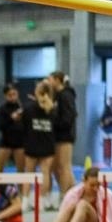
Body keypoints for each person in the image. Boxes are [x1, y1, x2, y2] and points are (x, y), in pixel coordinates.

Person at [21, 80, 59, 208]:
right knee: (45, 173)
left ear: (37, 93)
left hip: (32, 143)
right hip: (47, 143)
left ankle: (25, 201)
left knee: (29, 173)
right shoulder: (53, 109)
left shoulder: (29, 108)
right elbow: (57, 126)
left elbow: (24, 125)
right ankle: (41, 201)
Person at [46, 71, 77, 203]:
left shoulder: (66, 95)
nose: (49, 82)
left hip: (65, 136)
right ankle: (73, 192)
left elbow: (69, 116)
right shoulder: (57, 96)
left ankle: (65, 196)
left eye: (50, 80)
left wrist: (56, 121)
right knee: (55, 168)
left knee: (65, 167)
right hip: (57, 135)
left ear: (57, 80)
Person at [0, 82, 26, 172]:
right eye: (10, 95)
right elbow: (1, 126)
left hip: (20, 142)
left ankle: (20, 184)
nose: (12, 97)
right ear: (5, 96)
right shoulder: (2, 108)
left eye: (14, 94)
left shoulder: (22, 107)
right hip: (6, 142)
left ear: (17, 93)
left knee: (21, 170)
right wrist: (11, 118)